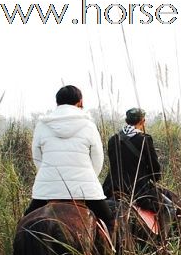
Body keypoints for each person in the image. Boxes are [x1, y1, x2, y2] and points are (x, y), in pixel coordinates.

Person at [24, 85, 114, 235]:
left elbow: (36, 157)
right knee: (109, 221)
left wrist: (48, 173)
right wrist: (88, 176)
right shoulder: (89, 125)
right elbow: (98, 159)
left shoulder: (42, 125)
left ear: (57, 103)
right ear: (80, 102)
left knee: (26, 223)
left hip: (47, 190)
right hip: (84, 190)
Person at [102, 108, 162, 212]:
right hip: (137, 191)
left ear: (126, 121)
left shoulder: (113, 139)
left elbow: (113, 164)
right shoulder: (145, 139)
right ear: (142, 121)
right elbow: (155, 169)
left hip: (111, 188)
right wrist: (155, 178)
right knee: (168, 208)